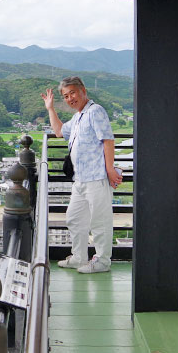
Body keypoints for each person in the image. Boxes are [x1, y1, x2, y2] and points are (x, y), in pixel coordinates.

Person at [42, 77, 121, 273]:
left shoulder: (95, 111)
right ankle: (79, 257)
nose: (70, 98)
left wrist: (110, 169)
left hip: (96, 178)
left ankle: (102, 261)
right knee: (74, 218)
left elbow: (107, 140)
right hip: (80, 179)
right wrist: (50, 108)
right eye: (66, 96)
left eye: (73, 93)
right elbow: (59, 131)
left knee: (100, 221)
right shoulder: (78, 117)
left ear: (83, 90)